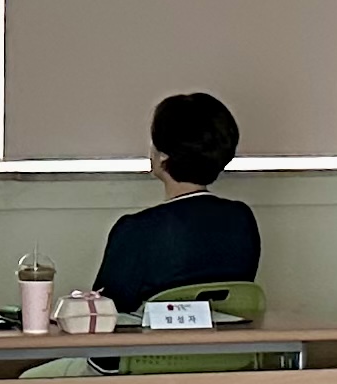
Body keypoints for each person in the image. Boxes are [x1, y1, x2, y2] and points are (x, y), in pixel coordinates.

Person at [90, 91, 257, 308]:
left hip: (150, 332)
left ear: (163, 155)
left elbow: (103, 310)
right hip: (230, 331)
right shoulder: (241, 220)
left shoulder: (136, 230)